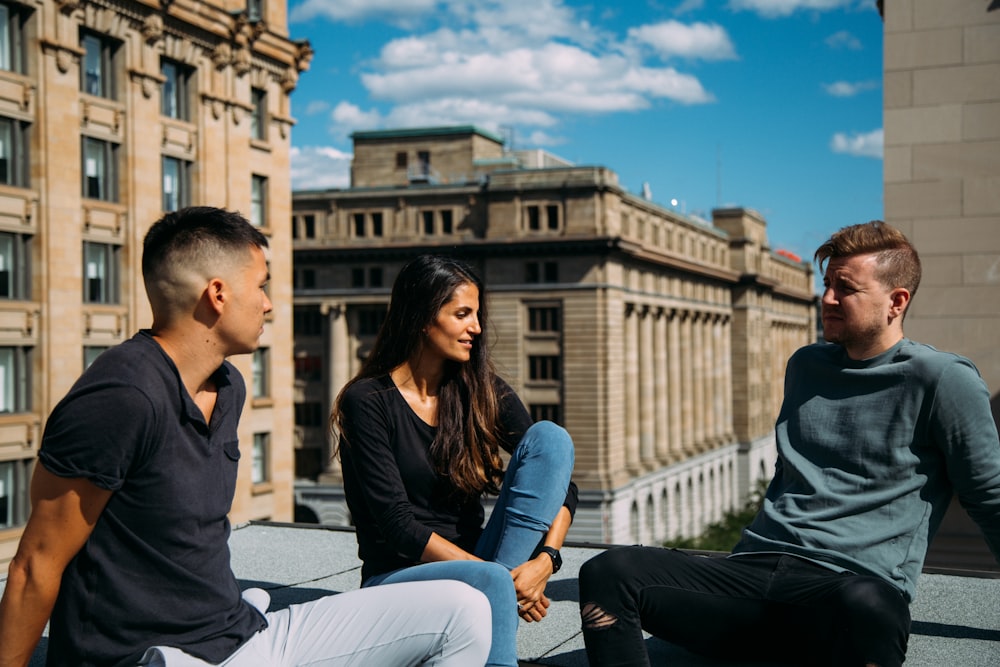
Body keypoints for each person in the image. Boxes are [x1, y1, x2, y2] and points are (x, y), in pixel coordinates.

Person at [0, 207, 492, 667]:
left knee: (463, 607)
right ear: (218, 295)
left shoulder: (228, 385)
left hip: (240, 636)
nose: (269, 304)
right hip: (161, 657)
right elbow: (33, 565)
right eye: (260, 286)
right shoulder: (119, 396)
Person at [578, 220, 1000, 667]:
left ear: (896, 301)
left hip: (845, 591)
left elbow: (988, 496)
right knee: (608, 572)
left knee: (870, 606)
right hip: (750, 576)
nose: (828, 299)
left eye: (846, 289)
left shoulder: (943, 378)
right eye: (827, 285)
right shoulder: (805, 365)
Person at [333, 254, 578, 667]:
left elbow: (560, 483)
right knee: (491, 579)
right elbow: (399, 528)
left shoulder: (480, 390)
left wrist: (543, 562)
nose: (477, 328)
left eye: (477, 314)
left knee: (550, 440)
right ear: (423, 318)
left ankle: (496, 587)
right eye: (463, 314)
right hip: (397, 576)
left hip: (483, 562)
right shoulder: (367, 401)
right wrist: (498, 580)